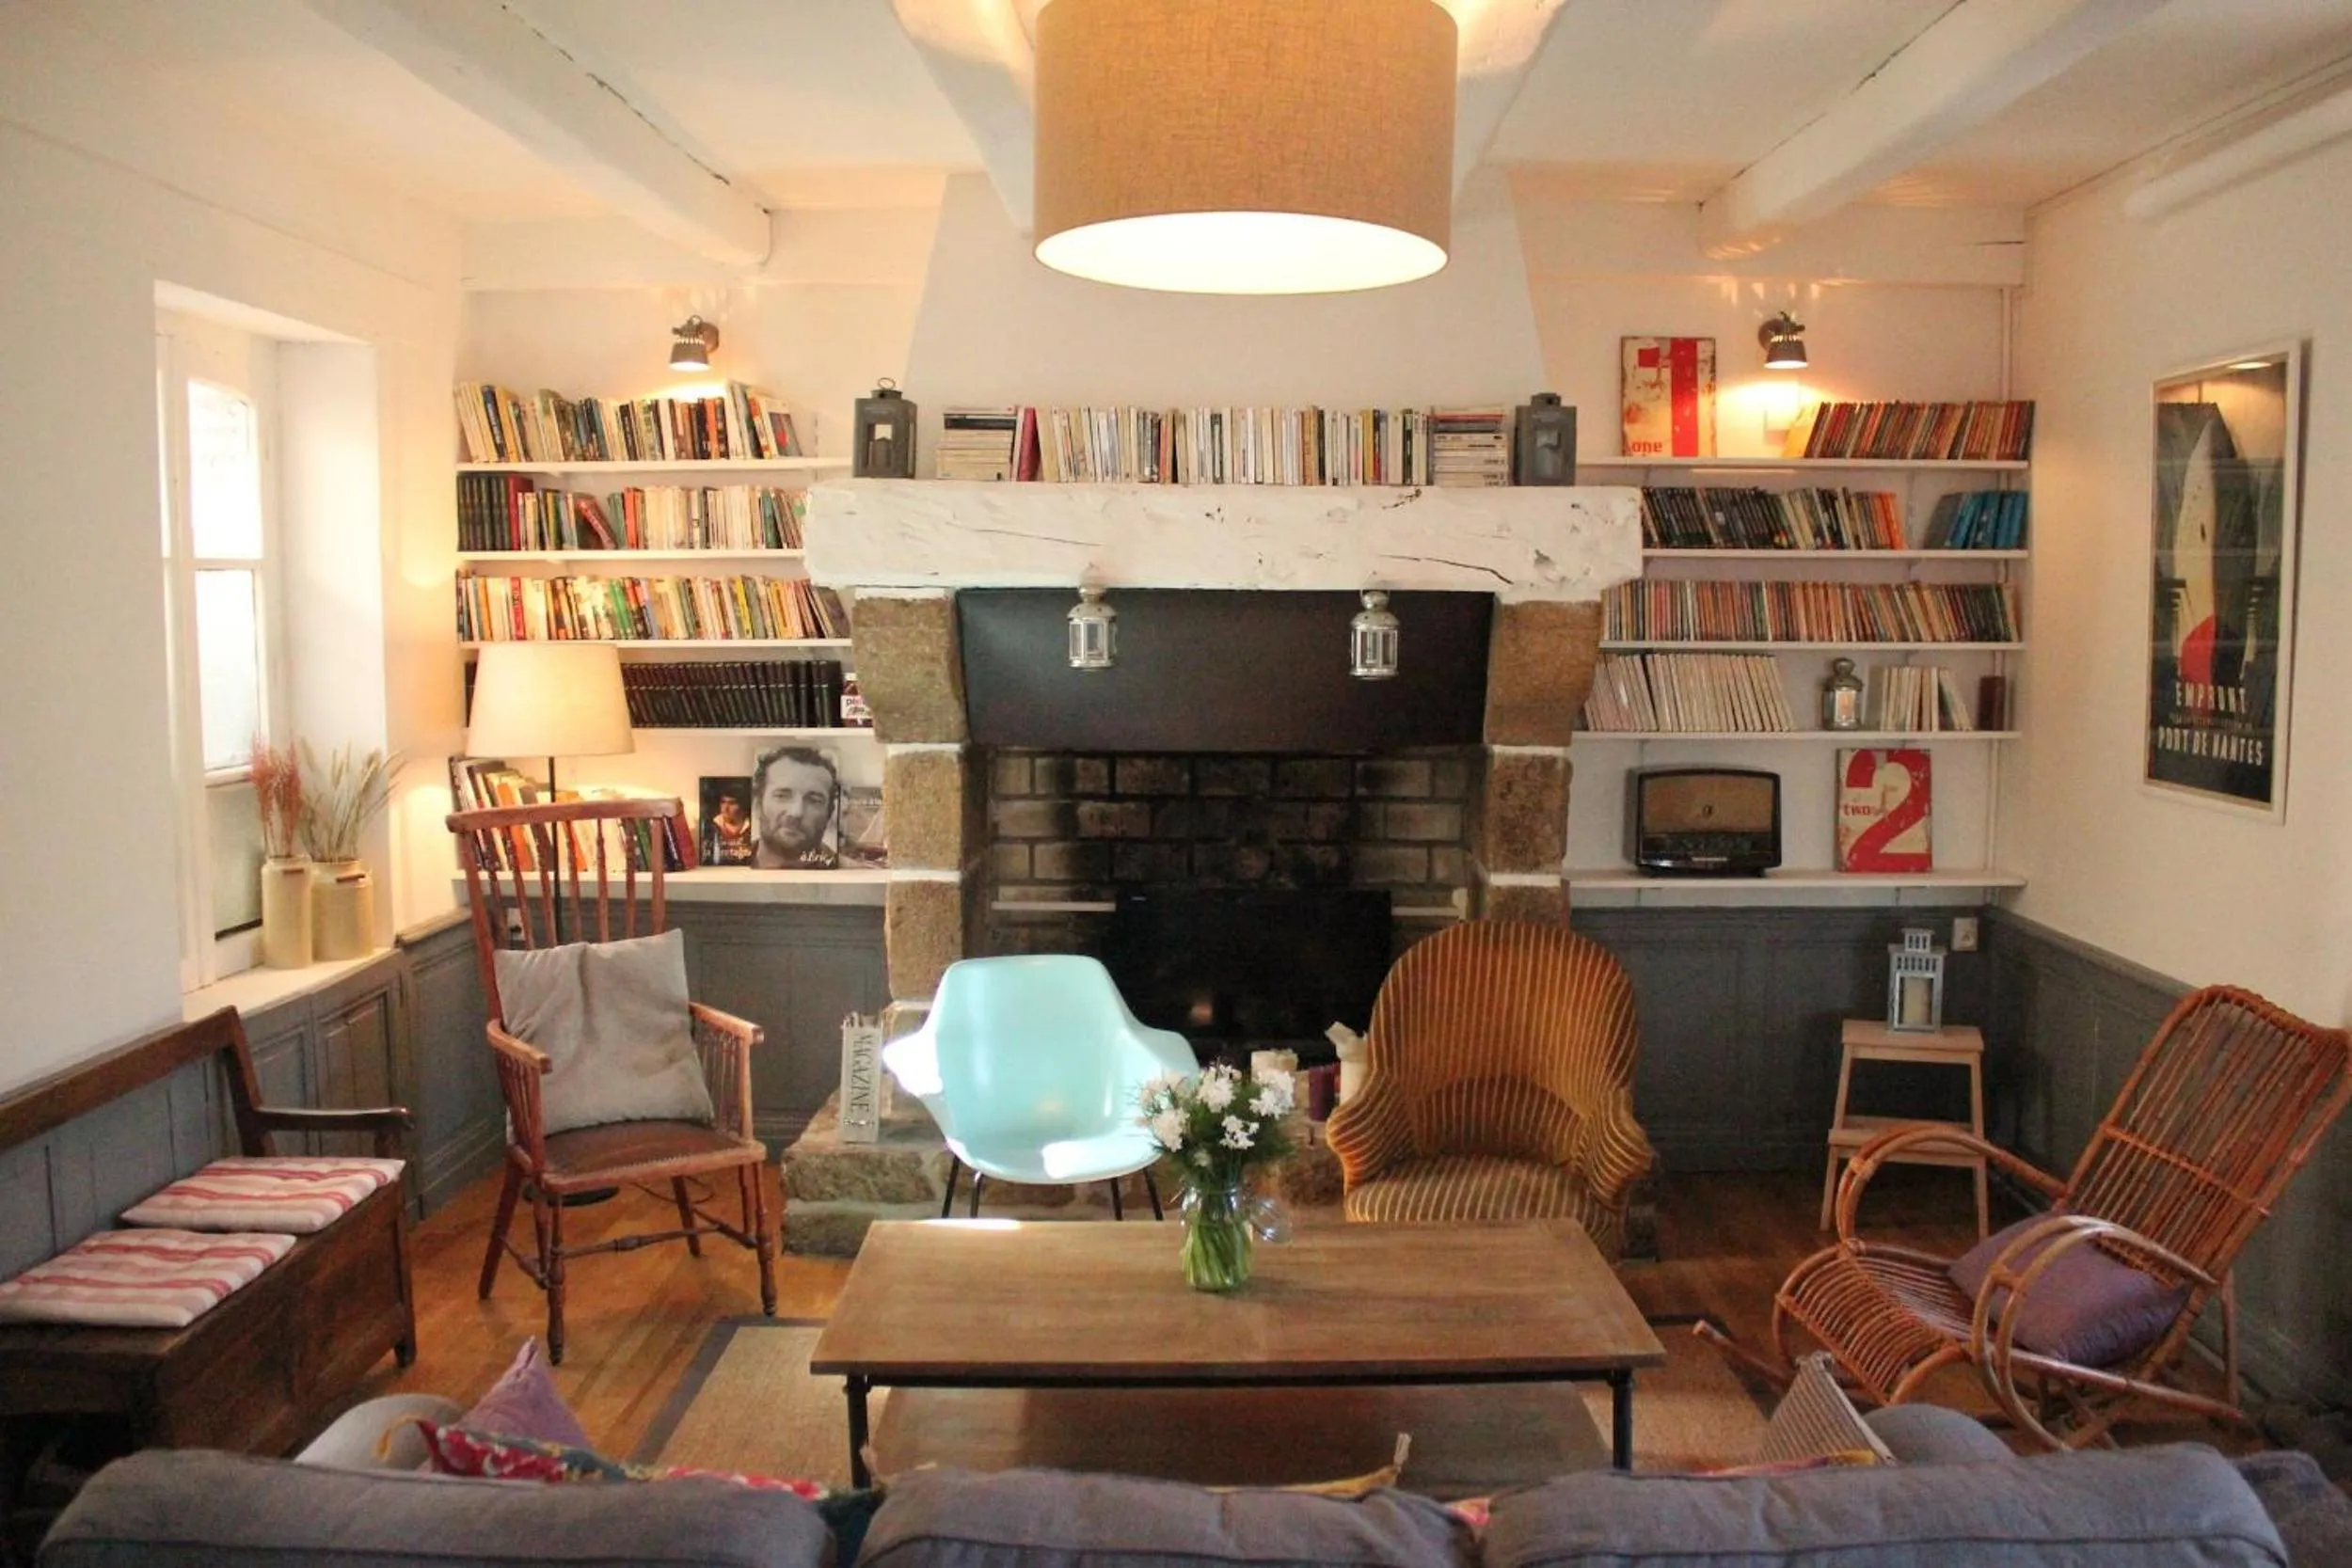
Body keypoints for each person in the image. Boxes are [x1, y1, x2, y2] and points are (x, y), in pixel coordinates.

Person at [753, 745, 839, 869]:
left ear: (829, 812)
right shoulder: (734, 863)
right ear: (757, 805)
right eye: (782, 796)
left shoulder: (845, 871)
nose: (796, 812)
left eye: (814, 800)